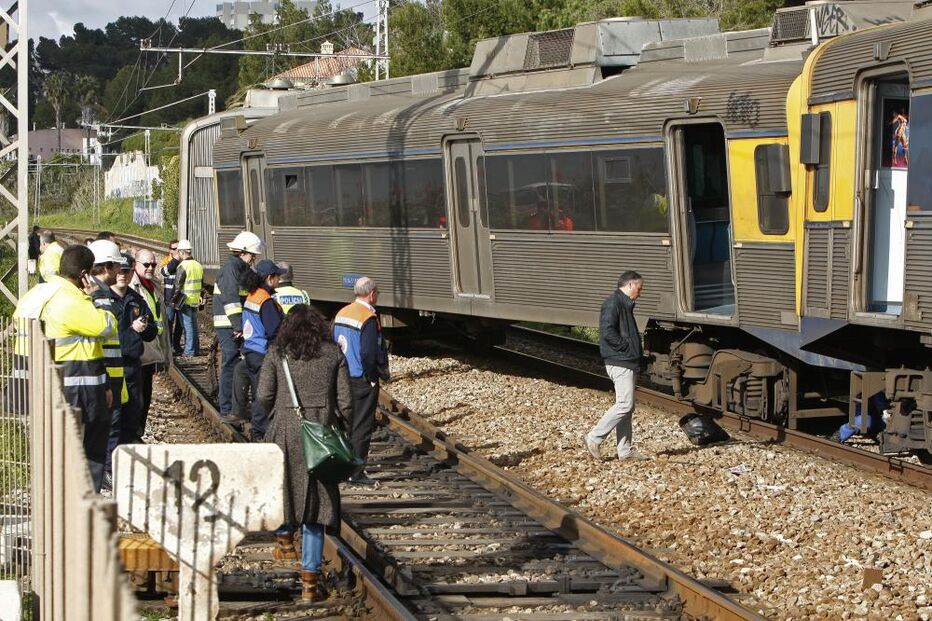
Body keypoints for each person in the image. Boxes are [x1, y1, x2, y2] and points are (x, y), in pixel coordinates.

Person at [257, 305, 353, 602]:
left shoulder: (277, 353)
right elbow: (347, 403)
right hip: (320, 437)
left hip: (285, 432)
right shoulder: (333, 355)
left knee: (284, 492)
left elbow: (262, 395)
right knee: (315, 507)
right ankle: (310, 581)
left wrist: (276, 414)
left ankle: (284, 539)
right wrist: (343, 431)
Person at [42, 245, 117, 492]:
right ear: (85, 274)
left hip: (73, 382)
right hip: (81, 387)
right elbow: (106, 328)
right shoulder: (73, 302)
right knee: (92, 450)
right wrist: (100, 299)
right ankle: (85, 501)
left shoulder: (54, 295)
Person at [584, 271, 651, 462]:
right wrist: (626, 347)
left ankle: (625, 450)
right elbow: (607, 331)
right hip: (619, 360)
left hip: (625, 360)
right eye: (639, 288)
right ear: (630, 285)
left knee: (627, 407)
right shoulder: (613, 303)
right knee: (625, 404)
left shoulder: (623, 304)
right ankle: (594, 438)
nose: (640, 292)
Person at [332, 276, 389, 484]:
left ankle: (340, 465)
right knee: (362, 427)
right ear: (372, 294)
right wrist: (372, 377)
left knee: (344, 423)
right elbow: (368, 353)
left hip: (341, 378)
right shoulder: (368, 317)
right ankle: (355, 472)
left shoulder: (342, 313)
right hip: (360, 379)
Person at [108, 253, 156, 464]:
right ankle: (109, 464)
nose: (122, 275)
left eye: (126, 271)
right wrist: (131, 330)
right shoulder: (104, 300)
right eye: (119, 271)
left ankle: (126, 460)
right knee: (112, 417)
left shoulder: (136, 300)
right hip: (112, 365)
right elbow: (107, 335)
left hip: (133, 365)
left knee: (132, 413)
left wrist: (144, 329)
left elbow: (152, 331)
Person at [89, 239, 129, 490]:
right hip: (108, 372)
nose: (118, 272)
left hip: (110, 371)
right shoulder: (102, 296)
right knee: (109, 428)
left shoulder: (96, 291)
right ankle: (105, 472)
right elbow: (102, 333)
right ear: (108, 267)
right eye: (116, 266)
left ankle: (103, 471)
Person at [213, 231, 264, 419]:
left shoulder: (242, 269)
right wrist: (237, 326)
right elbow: (231, 300)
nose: (253, 259)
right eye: (252, 255)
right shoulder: (231, 269)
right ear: (243, 252)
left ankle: (235, 406)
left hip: (236, 325)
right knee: (230, 363)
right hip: (228, 325)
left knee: (238, 363)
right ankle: (226, 408)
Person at [236, 260, 286, 441]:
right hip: (262, 352)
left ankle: (259, 429)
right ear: (269, 278)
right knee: (264, 393)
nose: (279, 280)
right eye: (277, 276)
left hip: (250, 350)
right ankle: (260, 431)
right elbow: (274, 330)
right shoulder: (265, 300)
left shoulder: (252, 295)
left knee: (259, 391)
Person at [130, 249, 164, 440]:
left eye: (153, 265)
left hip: (152, 349)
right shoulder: (132, 285)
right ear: (136, 264)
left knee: (146, 396)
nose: (150, 268)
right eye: (146, 265)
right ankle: (134, 434)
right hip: (139, 350)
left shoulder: (154, 285)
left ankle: (138, 433)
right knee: (137, 399)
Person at [170, 240, 204, 357]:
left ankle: (189, 351)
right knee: (194, 326)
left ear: (181, 252)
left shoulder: (183, 266)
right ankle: (196, 349)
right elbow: (201, 284)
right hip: (194, 300)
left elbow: (177, 286)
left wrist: (173, 301)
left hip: (184, 300)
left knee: (187, 327)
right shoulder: (198, 265)